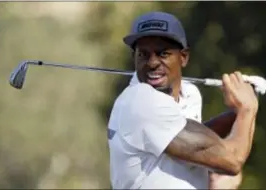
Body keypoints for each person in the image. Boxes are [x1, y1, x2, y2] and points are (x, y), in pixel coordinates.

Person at [107, 11, 258, 189]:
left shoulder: (189, 93)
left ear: (183, 57)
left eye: (162, 53)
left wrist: (235, 114)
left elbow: (190, 138)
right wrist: (247, 109)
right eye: (143, 55)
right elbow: (232, 161)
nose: (152, 62)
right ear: (134, 57)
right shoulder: (141, 101)